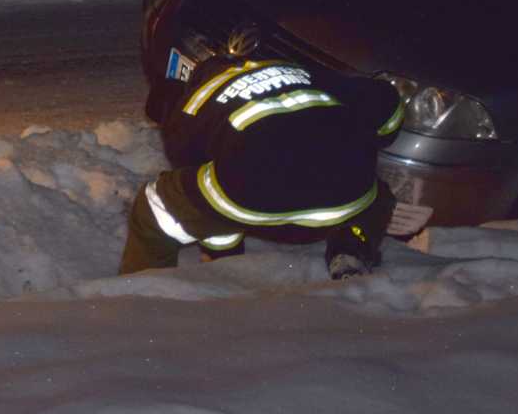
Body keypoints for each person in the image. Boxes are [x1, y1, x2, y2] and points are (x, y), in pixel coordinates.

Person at [119, 54, 424, 278]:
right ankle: (352, 247)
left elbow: (198, 184)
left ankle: (143, 300)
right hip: (346, 194)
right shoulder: (301, 70)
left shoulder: (190, 106)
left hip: (257, 193)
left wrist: (222, 252)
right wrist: (378, 138)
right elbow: (387, 103)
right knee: (376, 195)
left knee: (157, 205)